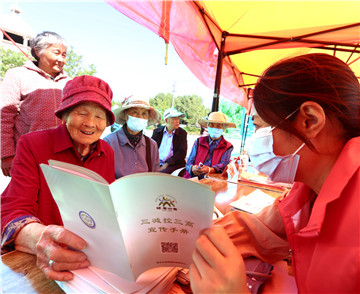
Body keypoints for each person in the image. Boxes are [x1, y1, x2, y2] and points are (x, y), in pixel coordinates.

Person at [189, 53, 360, 293]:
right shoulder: (308, 192)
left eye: (260, 128)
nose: (255, 144)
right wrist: (186, 232)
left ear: (309, 121)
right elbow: (259, 229)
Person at [1, 75, 116, 281]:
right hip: (38, 261)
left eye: (100, 117)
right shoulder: (32, 144)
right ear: (64, 115)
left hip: (89, 258)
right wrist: (40, 239)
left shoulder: (106, 151)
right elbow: (12, 210)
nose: (90, 123)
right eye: (82, 113)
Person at [1, 31, 69, 177]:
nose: (61, 59)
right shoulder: (17, 75)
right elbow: (4, 116)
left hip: (63, 158)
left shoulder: (69, 83)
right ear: (38, 51)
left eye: (64, 55)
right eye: (56, 53)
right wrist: (6, 155)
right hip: (27, 155)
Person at [103, 96, 161, 179]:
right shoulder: (109, 142)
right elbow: (105, 175)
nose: (139, 117)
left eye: (144, 113)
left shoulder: (152, 145)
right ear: (126, 115)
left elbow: (154, 174)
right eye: (135, 112)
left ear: (147, 118)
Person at [184, 112, 235, 179]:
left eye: (219, 126)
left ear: (223, 129)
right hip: (193, 179)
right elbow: (189, 162)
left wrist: (209, 169)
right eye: (211, 125)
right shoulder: (198, 142)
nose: (214, 128)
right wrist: (192, 168)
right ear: (207, 126)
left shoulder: (228, 146)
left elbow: (224, 164)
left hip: (213, 181)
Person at [151, 107, 187, 174]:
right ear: (166, 120)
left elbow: (181, 153)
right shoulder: (157, 132)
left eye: (178, 118)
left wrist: (166, 164)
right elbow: (151, 149)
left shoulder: (182, 133)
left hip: (174, 164)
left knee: (161, 175)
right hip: (157, 163)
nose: (178, 121)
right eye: (174, 118)